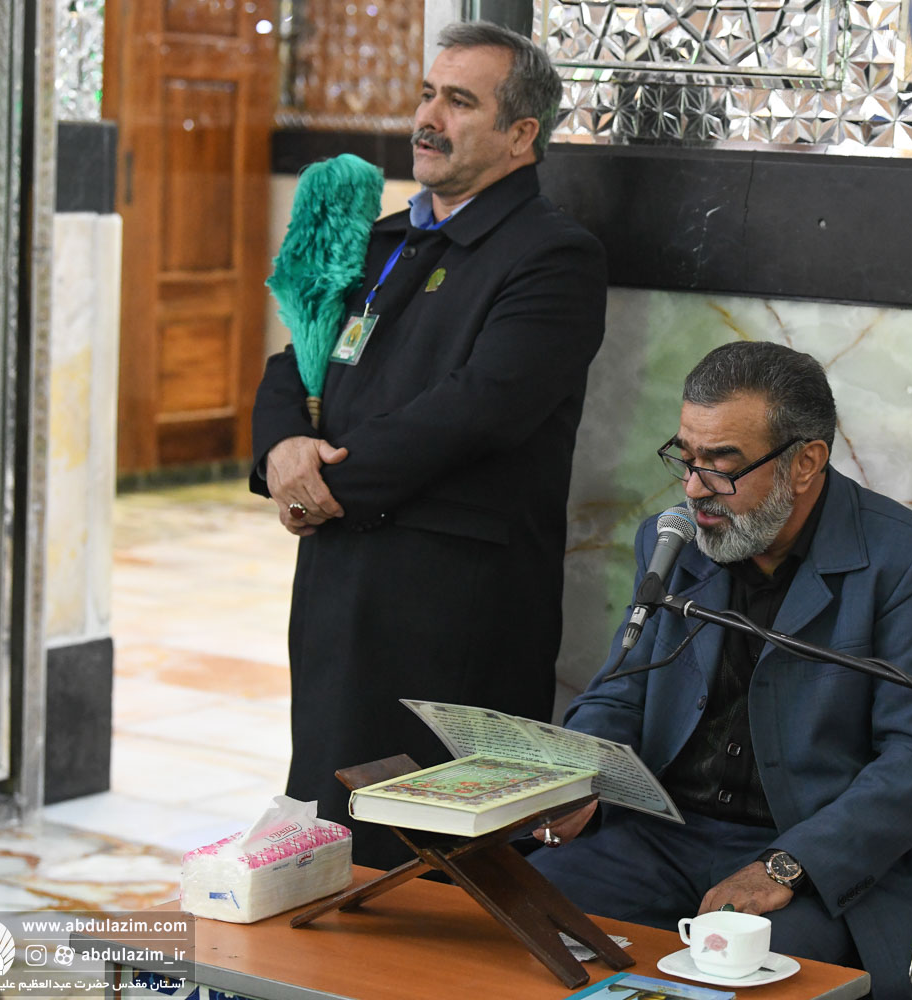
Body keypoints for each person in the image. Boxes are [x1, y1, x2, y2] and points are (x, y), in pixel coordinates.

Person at [250, 21, 607, 870]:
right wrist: (285, 451)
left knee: (429, 851)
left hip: (454, 600)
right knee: (329, 816)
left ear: (521, 134)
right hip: (340, 574)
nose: (428, 118)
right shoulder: (383, 241)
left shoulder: (554, 257)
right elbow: (295, 359)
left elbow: (480, 410)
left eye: (459, 102)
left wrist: (328, 485)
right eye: (425, 95)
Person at [530, 342, 912, 1000]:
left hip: (805, 855)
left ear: (805, 463)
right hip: (659, 835)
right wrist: (580, 776)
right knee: (520, 927)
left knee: (747, 983)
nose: (692, 488)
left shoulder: (905, 561)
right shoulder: (672, 541)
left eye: (722, 466)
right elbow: (619, 692)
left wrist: (787, 865)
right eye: (686, 457)